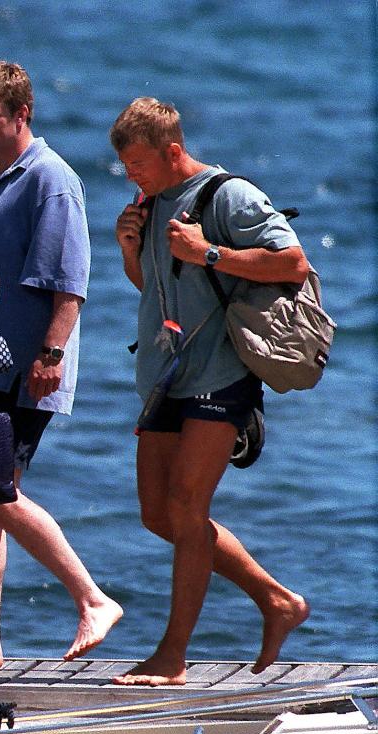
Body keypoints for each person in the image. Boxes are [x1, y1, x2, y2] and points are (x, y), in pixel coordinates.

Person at [110, 97, 311, 686]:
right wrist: (131, 249)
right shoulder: (151, 203)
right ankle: (277, 600)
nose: (131, 176)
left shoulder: (230, 196)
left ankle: (171, 657)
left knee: (188, 508)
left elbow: (293, 262)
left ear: (173, 151)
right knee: (158, 513)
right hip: (165, 375)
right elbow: (155, 289)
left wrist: (211, 251)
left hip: (222, 373)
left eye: (140, 164)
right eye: (124, 166)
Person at [0, 61, 122, 668]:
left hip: (24, 367)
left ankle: (92, 597)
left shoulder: (50, 179)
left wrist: (49, 354)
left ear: (23, 113)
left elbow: (69, 284)